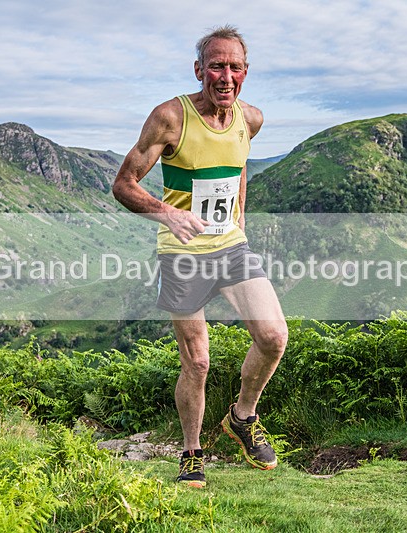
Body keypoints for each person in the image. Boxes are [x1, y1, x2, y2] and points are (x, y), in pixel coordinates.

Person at [112, 25, 288, 488]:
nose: (225, 75)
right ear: (199, 70)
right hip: (183, 253)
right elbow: (123, 184)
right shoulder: (170, 117)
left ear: (245, 73)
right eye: (216, 65)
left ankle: (242, 417)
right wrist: (166, 212)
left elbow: (239, 166)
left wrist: (240, 223)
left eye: (234, 67)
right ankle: (191, 452)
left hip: (230, 247)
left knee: (273, 336)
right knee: (198, 361)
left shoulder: (250, 119)